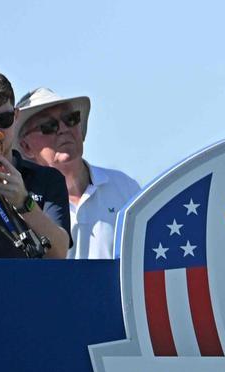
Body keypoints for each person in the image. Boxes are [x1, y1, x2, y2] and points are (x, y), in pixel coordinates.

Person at [14, 87, 141, 259]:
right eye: (48, 126)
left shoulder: (124, 187)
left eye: (70, 119)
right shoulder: (19, 200)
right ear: (25, 147)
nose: (63, 129)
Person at [0, 68, 69, 259]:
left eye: (4, 119)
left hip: (31, 287)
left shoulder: (48, 179)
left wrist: (24, 202)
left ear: (16, 116)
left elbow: (59, 253)